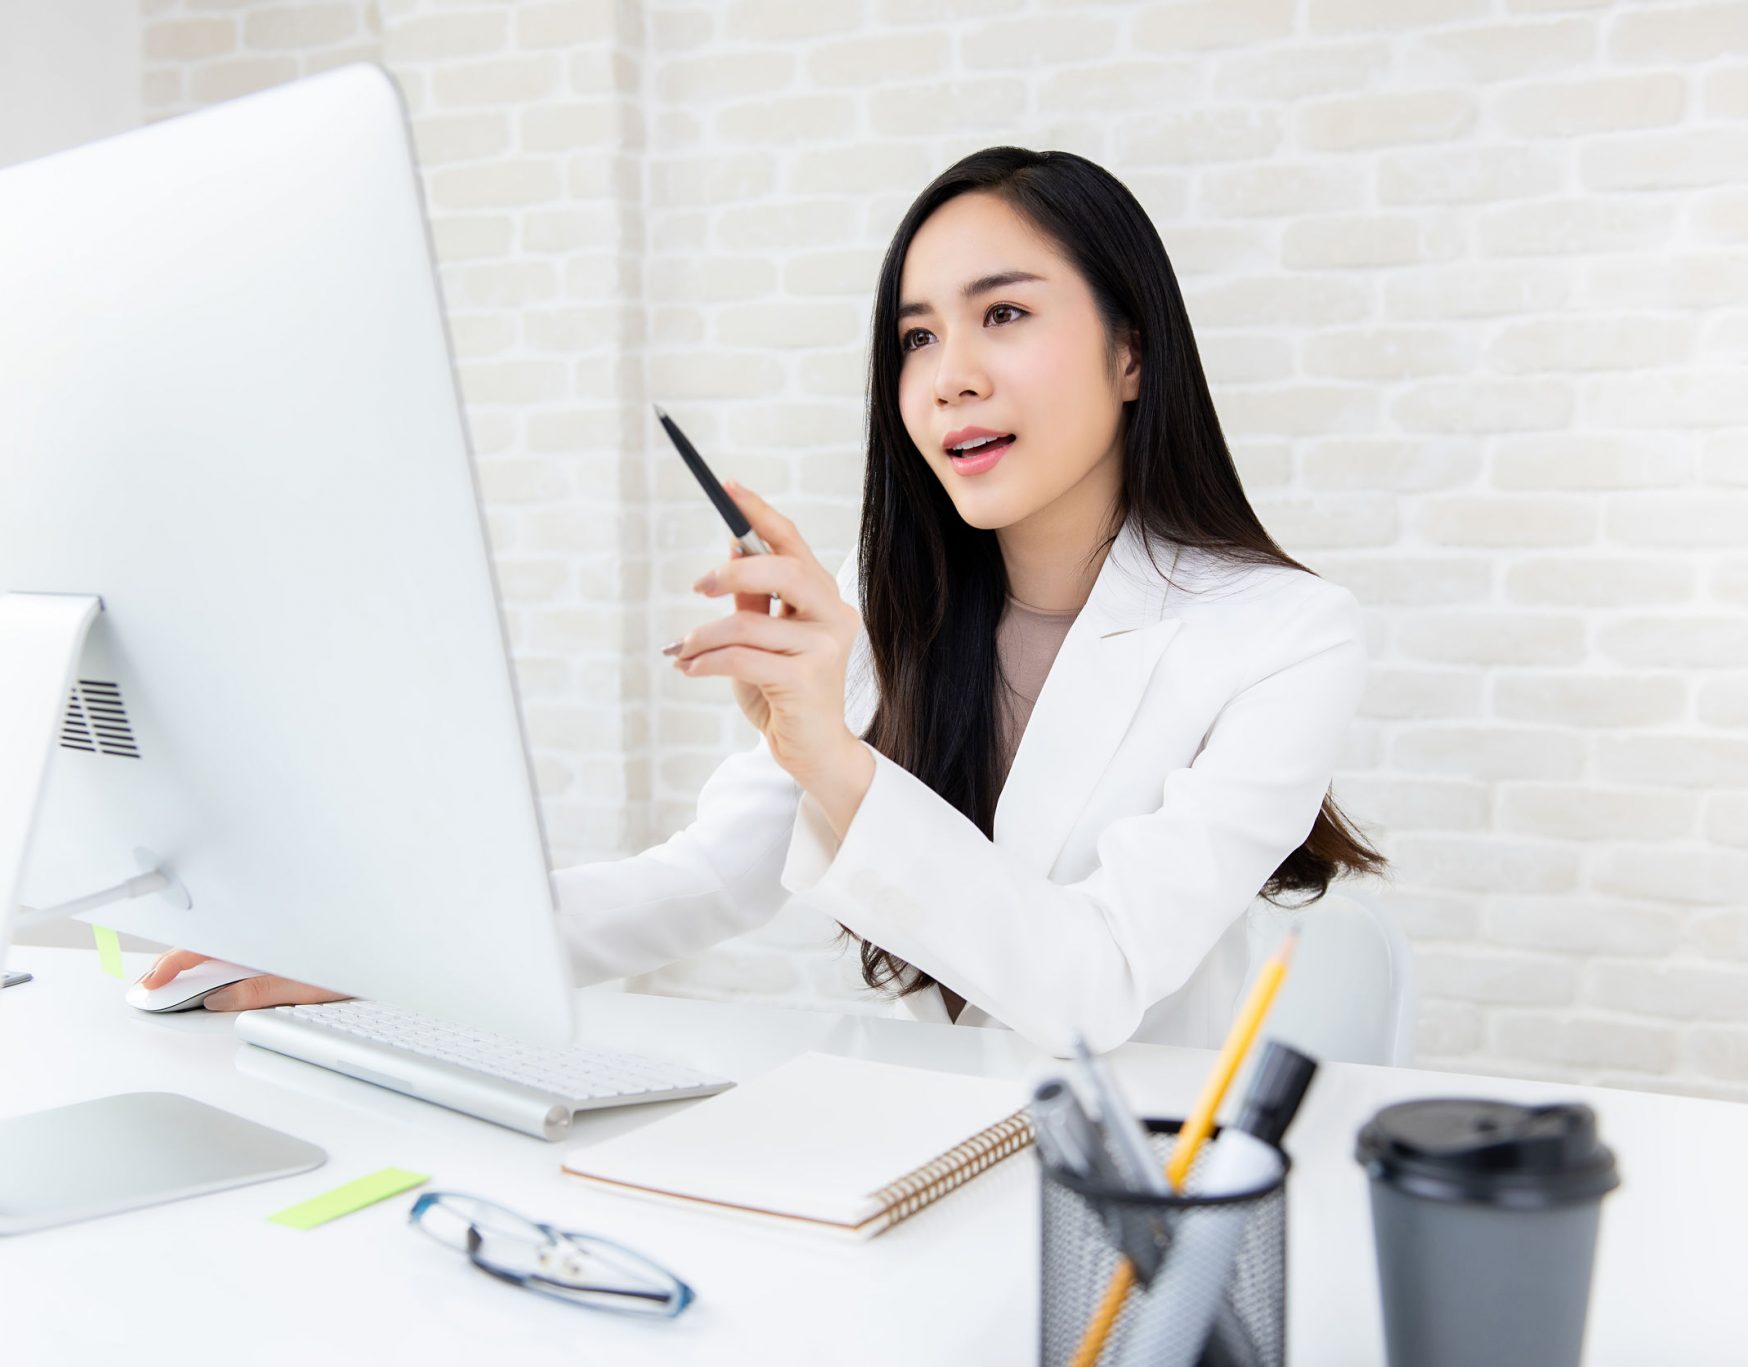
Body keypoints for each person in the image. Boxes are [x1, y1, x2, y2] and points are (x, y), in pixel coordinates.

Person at [142, 146, 1384, 1051]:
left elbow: (1091, 983)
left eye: (1001, 314)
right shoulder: (877, 603)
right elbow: (701, 882)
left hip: (1139, 1208)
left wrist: (831, 757)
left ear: (1129, 352)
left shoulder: (1283, 636)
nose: (948, 377)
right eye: (913, 338)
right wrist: (373, 950)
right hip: (919, 1155)